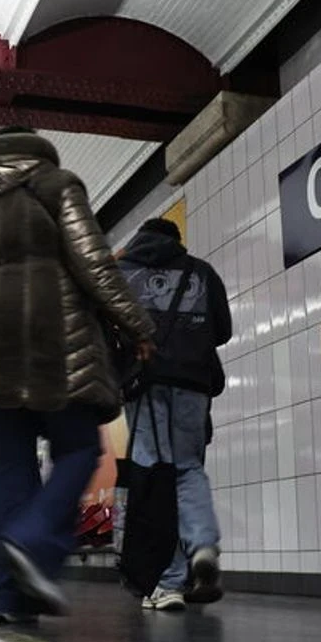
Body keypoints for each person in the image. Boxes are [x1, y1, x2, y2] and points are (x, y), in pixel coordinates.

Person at [0, 127, 155, 624]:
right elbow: (95, 264)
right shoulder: (58, 185)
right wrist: (137, 323)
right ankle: (34, 540)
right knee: (80, 450)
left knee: (8, 470)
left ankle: (5, 599)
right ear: (38, 151)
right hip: (53, 346)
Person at [118, 217, 233, 611]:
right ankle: (202, 547)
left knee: (154, 476)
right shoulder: (201, 272)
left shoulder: (122, 272)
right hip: (193, 384)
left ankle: (167, 582)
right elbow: (224, 331)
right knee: (187, 468)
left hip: (145, 382)